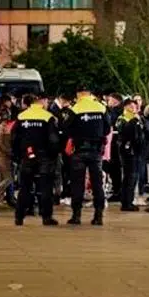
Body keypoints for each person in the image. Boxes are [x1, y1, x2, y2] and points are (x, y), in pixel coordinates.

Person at [62, 87, 111, 226]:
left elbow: (66, 127)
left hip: (79, 150)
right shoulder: (101, 107)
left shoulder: (75, 108)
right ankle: (98, 216)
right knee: (97, 184)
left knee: (77, 184)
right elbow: (107, 128)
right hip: (96, 151)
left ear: (79, 94)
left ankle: (76, 216)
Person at [12, 95, 59, 226]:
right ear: (40, 102)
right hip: (45, 157)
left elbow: (14, 138)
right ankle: (46, 217)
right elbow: (53, 139)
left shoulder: (21, 116)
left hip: (27, 156)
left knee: (25, 187)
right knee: (45, 187)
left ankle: (19, 217)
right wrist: (53, 155)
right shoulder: (47, 117)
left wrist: (18, 156)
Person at [115, 98, 145, 211]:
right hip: (128, 151)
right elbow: (124, 132)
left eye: (135, 107)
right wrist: (134, 120)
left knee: (133, 177)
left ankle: (128, 201)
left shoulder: (137, 118)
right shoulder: (122, 119)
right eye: (131, 107)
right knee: (130, 176)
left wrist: (140, 119)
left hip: (137, 151)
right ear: (125, 107)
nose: (134, 109)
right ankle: (126, 203)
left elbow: (146, 129)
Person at [0, 108, 15, 211]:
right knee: (8, 178)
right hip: (1, 155)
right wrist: (9, 152)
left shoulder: (7, 127)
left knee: (3, 178)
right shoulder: (0, 127)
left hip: (6, 155)